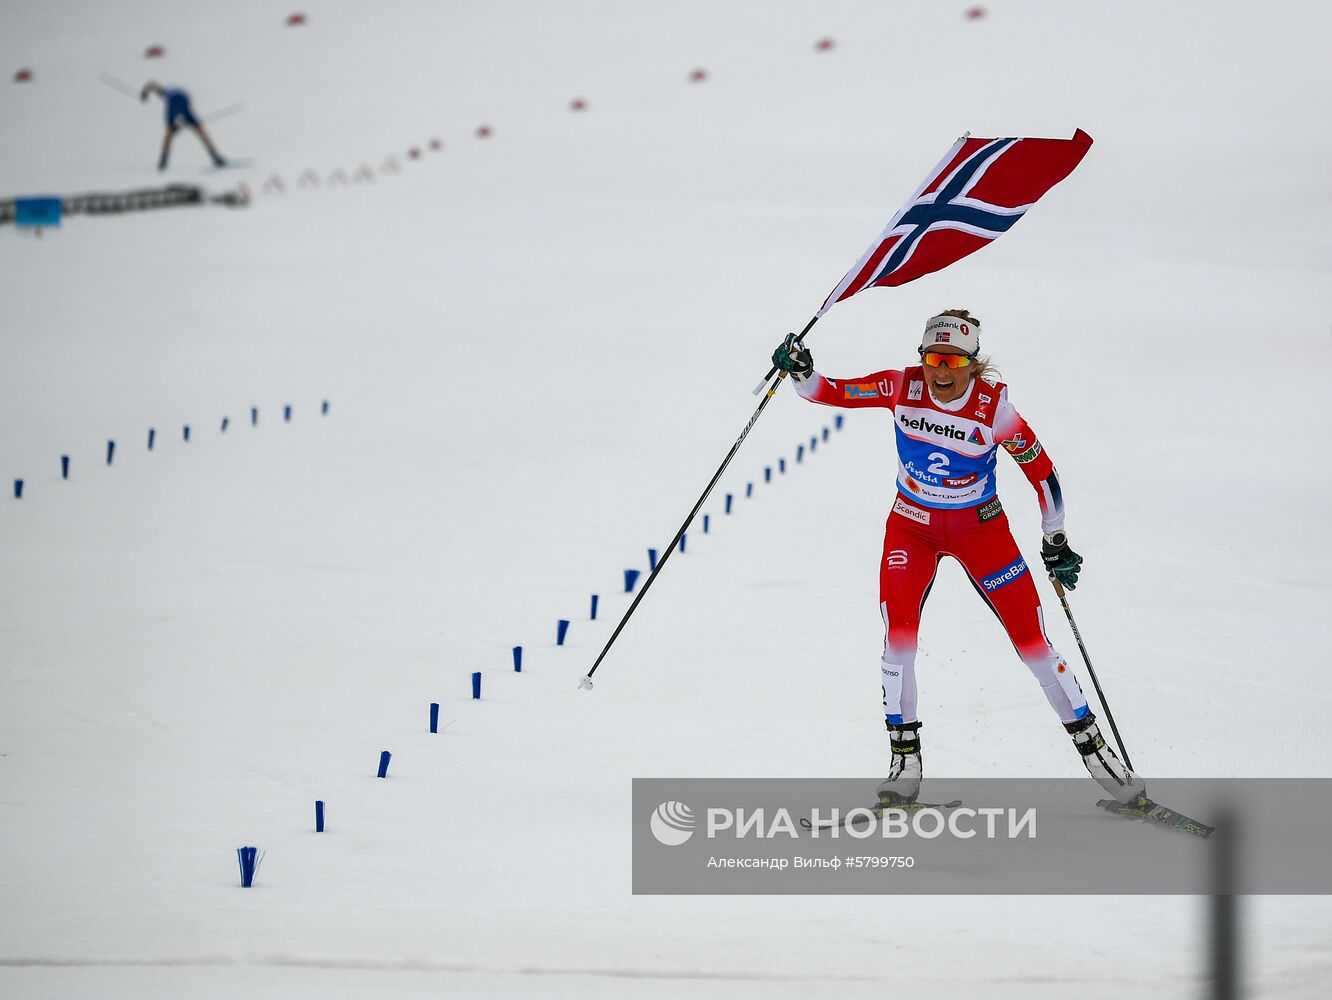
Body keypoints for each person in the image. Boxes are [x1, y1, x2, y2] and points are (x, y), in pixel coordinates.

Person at [771, 309, 1146, 807]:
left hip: (979, 529)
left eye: (952, 360)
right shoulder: (899, 387)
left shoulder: (996, 412)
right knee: (898, 643)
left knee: (1033, 642)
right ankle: (904, 762)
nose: (941, 372)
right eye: (932, 358)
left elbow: (1044, 474)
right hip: (912, 526)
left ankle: (1100, 760)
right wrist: (801, 371)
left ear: (972, 363)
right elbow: (831, 392)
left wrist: (1054, 538)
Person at [140, 82, 226, 170]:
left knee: (170, 132)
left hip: (180, 104)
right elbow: (153, 86)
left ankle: (163, 161)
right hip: (184, 104)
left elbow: (152, 85)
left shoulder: (166, 92)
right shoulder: (171, 92)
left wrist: (144, 92)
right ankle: (216, 157)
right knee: (199, 130)